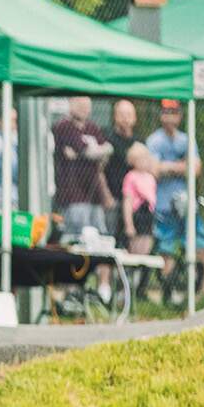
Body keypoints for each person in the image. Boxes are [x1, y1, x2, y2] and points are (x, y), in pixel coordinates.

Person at [52, 95, 115, 300]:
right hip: (72, 195)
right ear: (70, 105)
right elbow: (90, 152)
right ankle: (72, 289)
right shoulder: (64, 127)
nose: (84, 109)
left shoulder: (93, 128)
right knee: (76, 241)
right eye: (79, 104)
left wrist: (86, 153)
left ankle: (103, 288)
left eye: (87, 105)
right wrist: (91, 152)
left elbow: (107, 150)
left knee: (102, 240)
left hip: (94, 195)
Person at [147, 100, 195, 294]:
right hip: (162, 203)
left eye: (174, 112)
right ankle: (167, 288)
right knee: (166, 247)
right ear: (161, 115)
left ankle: (201, 290)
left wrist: (169, 166)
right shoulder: (154, 141)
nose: (170, 116)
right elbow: (154, 169)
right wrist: (181, 166)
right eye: (166, 112)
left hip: (184, 202)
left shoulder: (186, 140)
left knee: (196, 242)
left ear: (180, 115)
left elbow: (196, 168)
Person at [105, 99, 139, 236]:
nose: (125, 118)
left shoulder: (139, 141)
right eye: (122, 114)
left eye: (129, 114)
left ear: (135, 118)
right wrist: (106, 196)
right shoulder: (107, 138)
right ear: (115, 116)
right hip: (113, 199)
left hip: (135, 202)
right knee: (111, 237)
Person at [121, 142, 158, 258]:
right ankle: (132, 272)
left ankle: (142, 271)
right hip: (137, 215)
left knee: (146, 246)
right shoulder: (131, 177)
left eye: (146, 158)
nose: (144, 162)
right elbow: (127, 201)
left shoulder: (151, 177)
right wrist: (129, 224)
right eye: (140, 159)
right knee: (135, 249)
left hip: (148, 215)